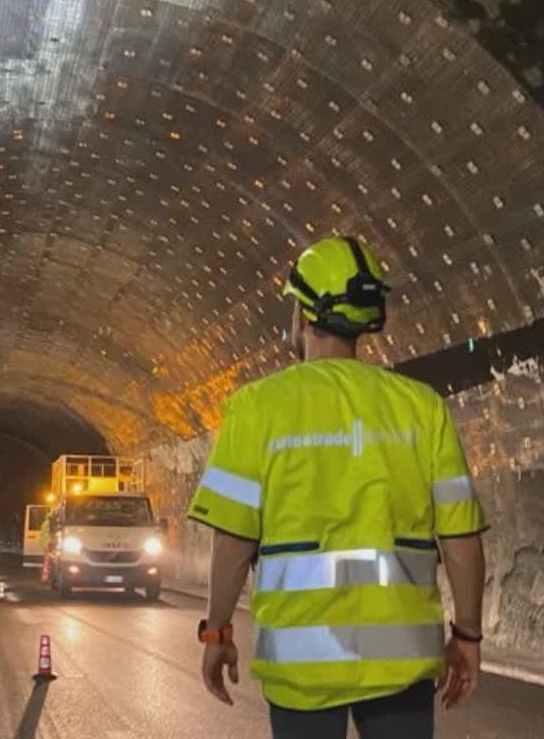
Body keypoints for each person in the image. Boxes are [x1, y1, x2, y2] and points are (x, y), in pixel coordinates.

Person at [190, 236, 489, 738]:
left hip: (301, 668)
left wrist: (217, 631)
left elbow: (235, 539)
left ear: (303, 315)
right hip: (402, 666)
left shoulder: (257, 408)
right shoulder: (422, 407)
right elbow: (460, 540)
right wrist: (468, 635)